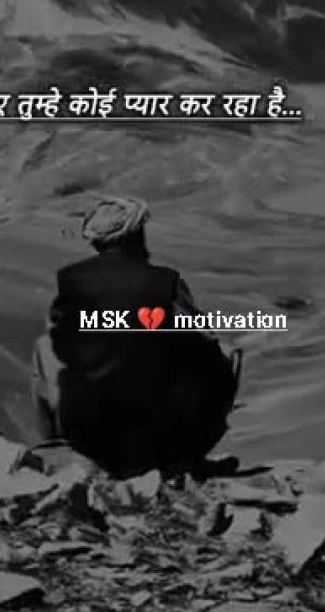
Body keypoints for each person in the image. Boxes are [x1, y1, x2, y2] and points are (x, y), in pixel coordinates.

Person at [31, 195, 241, 478]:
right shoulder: (166, 283)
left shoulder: (71, 282)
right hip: (158, 442)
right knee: (225, 352)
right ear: (139, 237)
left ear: (95, 243)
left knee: (45, 346)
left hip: (91, 440)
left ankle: (54, 449)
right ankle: (189, 459)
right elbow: (204, 341)